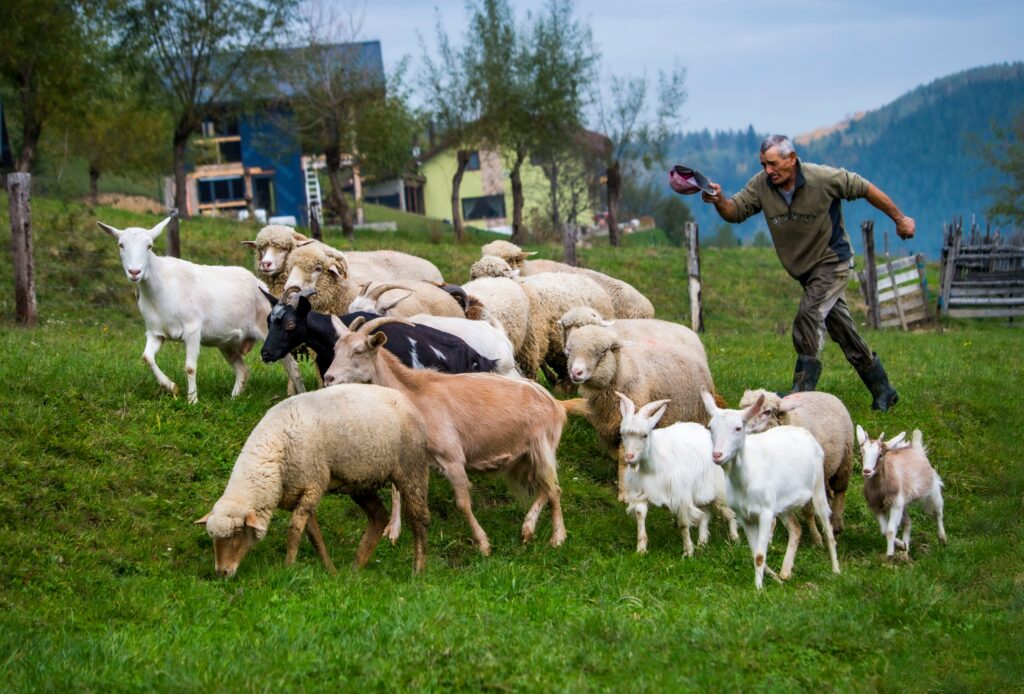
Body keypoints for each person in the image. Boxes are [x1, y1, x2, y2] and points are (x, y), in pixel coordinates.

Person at [700, 134, 914, 411]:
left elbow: (865, 188)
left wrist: (900, 219)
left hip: (832, 261)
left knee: (808, 316)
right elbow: (735, 211)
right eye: (764, 164)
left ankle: (801, 396)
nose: (768, 171)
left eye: (773, 164)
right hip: (805, 271)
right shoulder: (761, 185)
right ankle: (883, 389)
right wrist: (718, 199)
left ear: (792, 159)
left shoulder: (823, 178)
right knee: (843, 332)